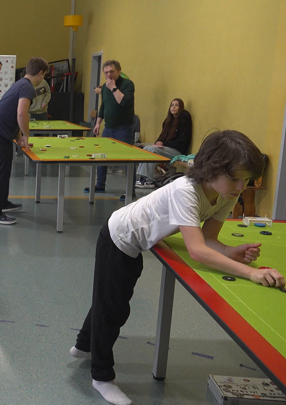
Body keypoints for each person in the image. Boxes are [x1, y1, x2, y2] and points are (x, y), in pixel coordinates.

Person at [70, 130, 284, 405]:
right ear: (212, 168)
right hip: (119, 237)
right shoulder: (186, 191)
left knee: (109, 299)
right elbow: (197, 250)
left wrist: (230, 252)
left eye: (246, 179)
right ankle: (101, 377)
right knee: (112, 309)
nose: (241, 186)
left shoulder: (227, 193)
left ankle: (83, 344)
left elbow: (208, 239)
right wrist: (252, 273)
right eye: (235, 178)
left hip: (138, 243)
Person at [0, 57, 48, 225]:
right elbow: (21, 113)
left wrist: (19, 139)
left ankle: (2, 203)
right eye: (44, 76)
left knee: (5, 169)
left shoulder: (20, 84)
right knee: (0, 172)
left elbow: (11, 113)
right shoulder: (28, 88)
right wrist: (26, 135)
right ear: (40, 73)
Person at [85, 60, 136, 197]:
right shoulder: (104, 87)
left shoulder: (127, 85)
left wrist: (113, 88)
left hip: (124, 128)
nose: (109, 75)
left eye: (112, 71)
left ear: (119, 71)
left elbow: (124, 102)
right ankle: (100, 185)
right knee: (102, 156)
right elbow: (103, 106)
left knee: (127, 159)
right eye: (106, 72)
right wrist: (98, 123)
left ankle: (130, 191)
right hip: (108, 128)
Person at [135, 98, 192, 188]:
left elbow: (182, 142)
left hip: (178, 151)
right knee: (146, 148)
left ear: (181, 108)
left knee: (152, 150)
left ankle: (148, 180)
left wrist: (164, 144)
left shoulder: (184, 121)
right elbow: (162, 135)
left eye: (176, 105)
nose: (173, 107)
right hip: (167, 148)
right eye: (172, 105)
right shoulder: (168, 121)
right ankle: (142, 177)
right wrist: (159, 141)